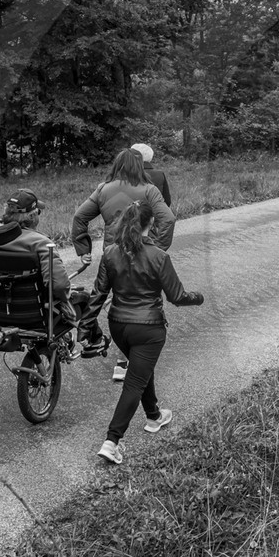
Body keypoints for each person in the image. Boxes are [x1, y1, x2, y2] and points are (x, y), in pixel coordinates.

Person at [78, 201, 205, 465]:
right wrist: (198, 297)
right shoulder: (159, 256)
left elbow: (99, 294)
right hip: (148, 328)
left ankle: (154, 416)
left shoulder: (111, 252)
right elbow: (177, 296)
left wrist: (85, 326)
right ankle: (112, 441)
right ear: (151, 224)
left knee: (140, 369)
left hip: (118, 325)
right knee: (134, 381)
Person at [71, 148, 175, 383]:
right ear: (139, 166)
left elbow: (80, 217)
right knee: (143, 300)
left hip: (112, 254)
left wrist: (83, 250)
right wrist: (158, 248)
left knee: (100, 294)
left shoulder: (103, 189)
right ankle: (131, 358)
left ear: (117, 165)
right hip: (143, 254)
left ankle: (86, 333)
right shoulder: (149, 190)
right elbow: (168, 219)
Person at [0, 188, 77, 367]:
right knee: (79, 299)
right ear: (33, 217)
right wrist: (66, 298)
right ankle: (74, 340)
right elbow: (58, 286)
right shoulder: (41, 243)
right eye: (38, 212)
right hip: (34, 316)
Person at [130, 142, 172, 208]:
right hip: (155, 213)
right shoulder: (160, 174)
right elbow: (167, 201)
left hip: (133, 214)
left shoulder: (128, 174)